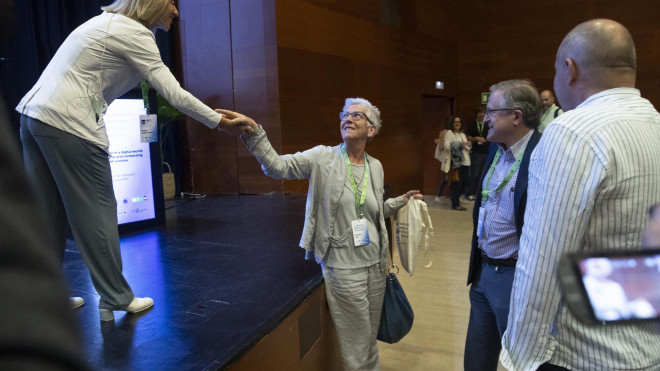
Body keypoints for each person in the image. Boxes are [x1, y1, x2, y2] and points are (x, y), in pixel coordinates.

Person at [16, 0, 252, 322]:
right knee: (97, 211)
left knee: (48, 212)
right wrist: (221, 123)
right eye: (170, 2)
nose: (176, 11)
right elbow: (174, 93)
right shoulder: (135, 33)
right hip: (69, 125)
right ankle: (114, 296)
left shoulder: (104, 23)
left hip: (33, 118)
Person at [501, 19, 660, 370]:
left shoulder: (572, 133)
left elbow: (542, 264)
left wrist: (518, 358)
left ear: (569, 70)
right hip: (648, 349)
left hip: (582, 355)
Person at [219, 98, 423, 370]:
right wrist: (255, 133)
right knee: (355, 343)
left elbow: (372, 211)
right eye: (345, 114)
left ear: (371, 129)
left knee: (369, 338)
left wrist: (399, 202)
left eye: (357, 115)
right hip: (343, 266)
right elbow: (278, 167)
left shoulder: (376, 165)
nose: (348, 118)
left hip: (375, 265)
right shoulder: (322, 157)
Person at [464, 79, 542, 371]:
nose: (485, 118)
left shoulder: (543, 155)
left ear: (516, 116)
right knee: (476, 361)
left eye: (492, 111)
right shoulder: (497, 150)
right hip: (482, 272)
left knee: (519, 362)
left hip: (515, 278)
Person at [439, 115, 471, 211]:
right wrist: (460, 145)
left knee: (466, 182)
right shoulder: (449, 133)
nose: (458, 124)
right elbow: (447, 146)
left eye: (459, 122)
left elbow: (468, 148)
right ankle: (455, 204)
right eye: (455, 122)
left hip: (466, 161)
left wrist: (468, 145)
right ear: (452, 124)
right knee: (458, 184)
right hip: (456, 162)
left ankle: (454, 198)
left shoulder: (462, 134)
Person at [465, 104, 489, 200]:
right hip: (476, 153)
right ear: (476, 114)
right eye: (480, 112)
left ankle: (485, 194)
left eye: (484, 112)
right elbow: (467, 137)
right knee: (473, 174)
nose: (482, 114)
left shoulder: (488, 125)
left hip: (487, 152)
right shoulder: (471, 125)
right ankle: (468, 194)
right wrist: (475, 138)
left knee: (487, 174)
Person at [434, 121, 449, 202]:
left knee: (452, 178)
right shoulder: (444, 132)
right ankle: (438, 194)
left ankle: (451, 195)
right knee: (447, 177)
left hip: (454, 158)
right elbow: (441, 146)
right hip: (446, 157)